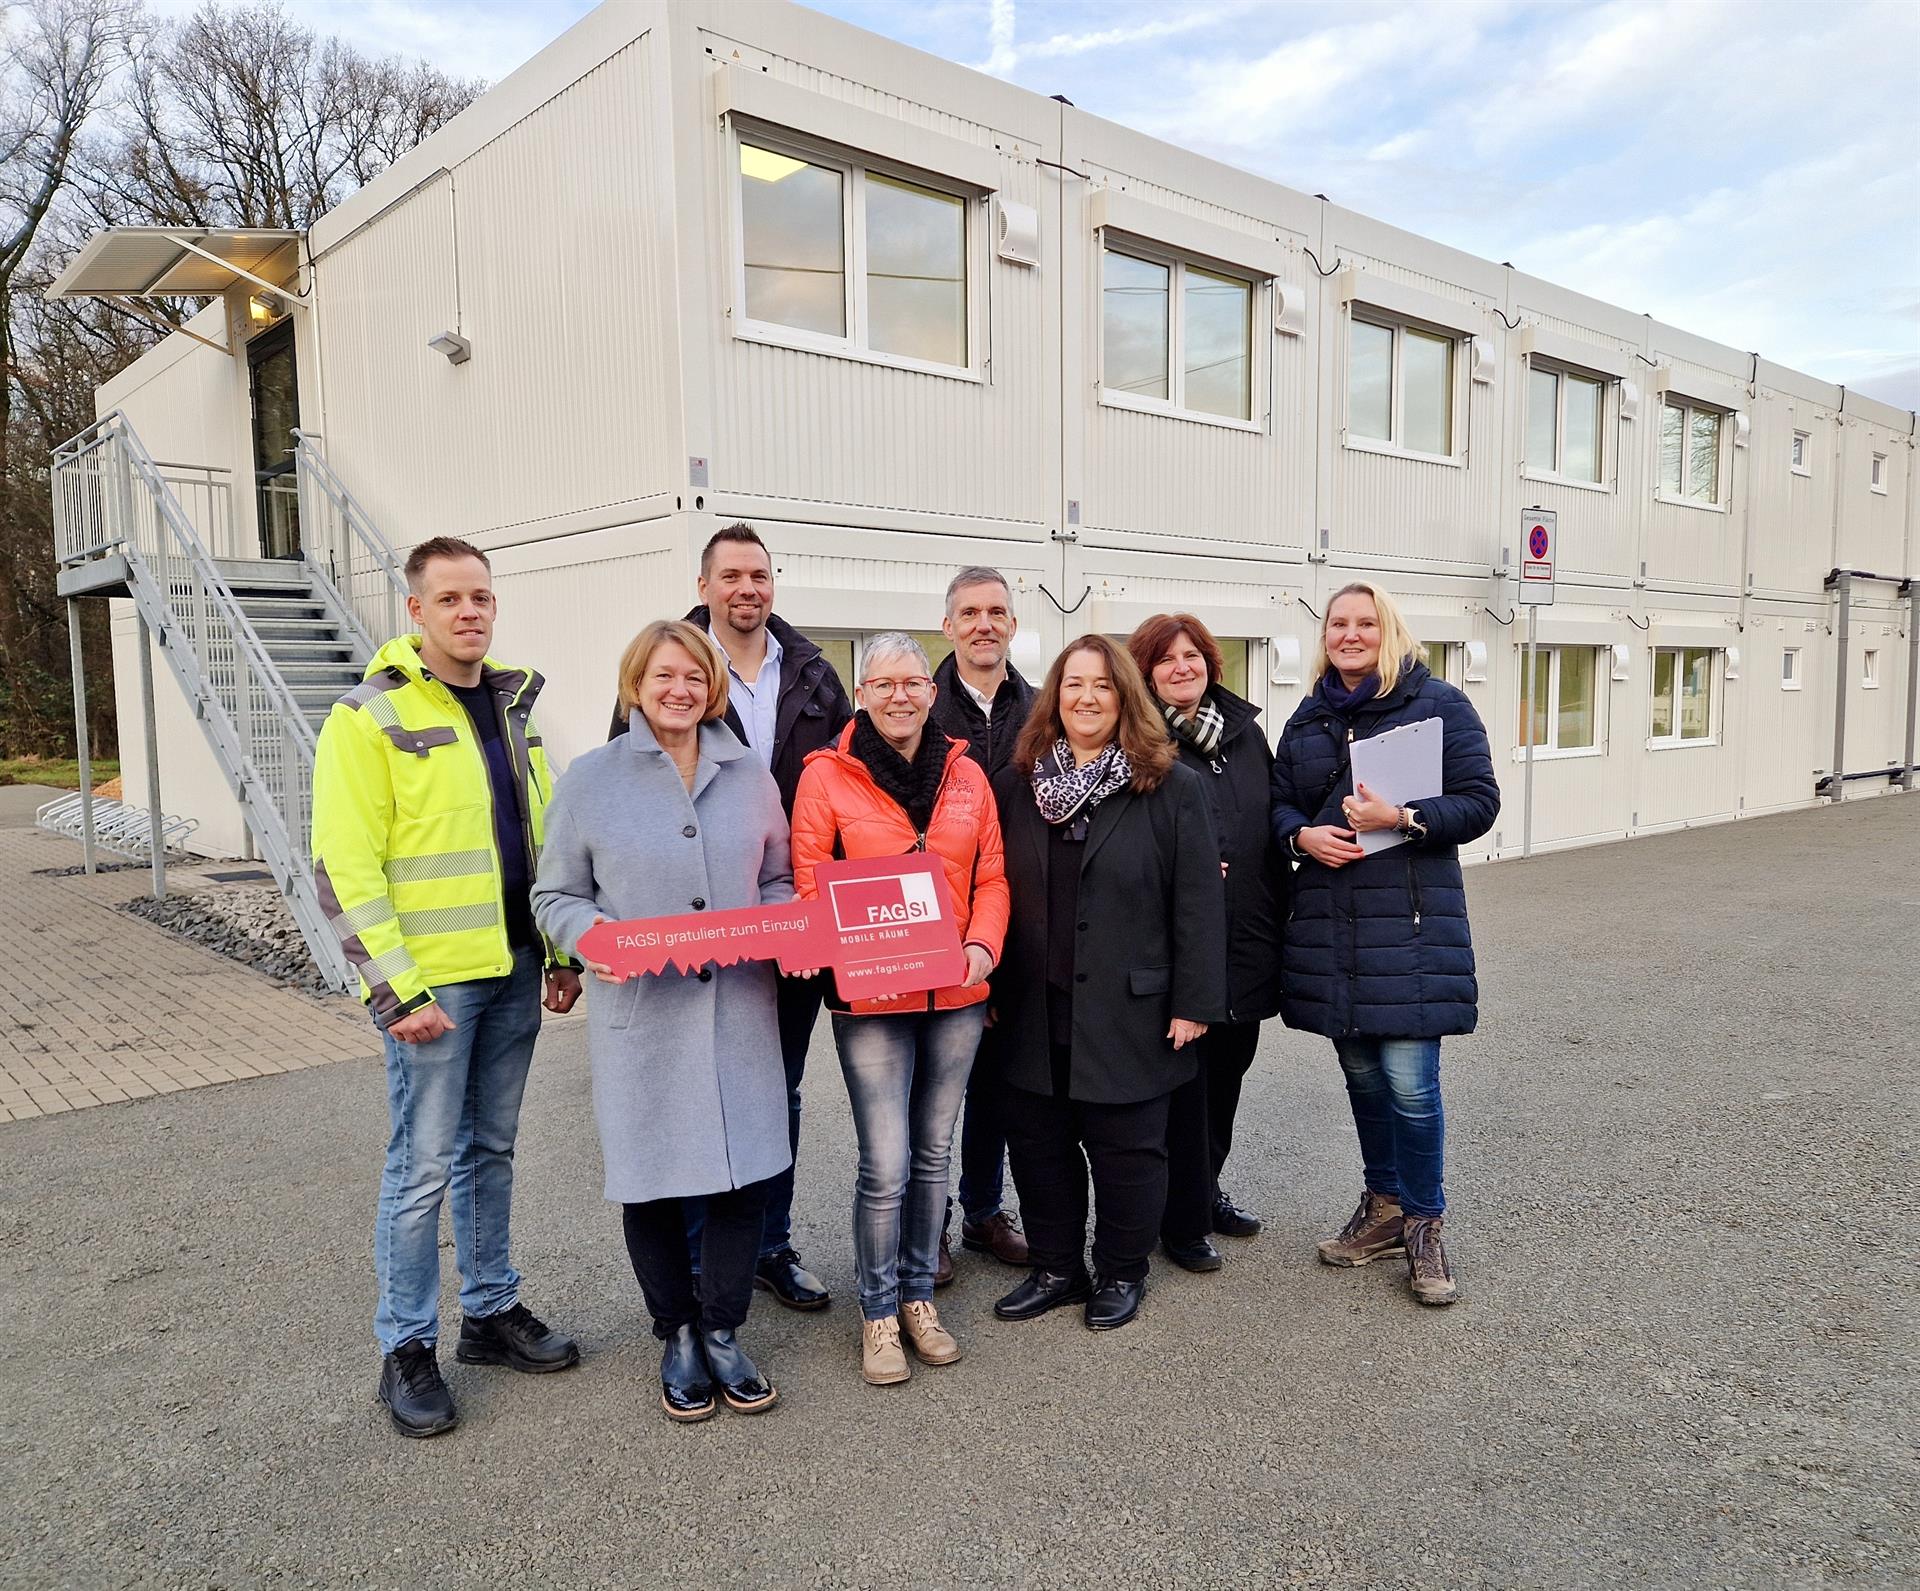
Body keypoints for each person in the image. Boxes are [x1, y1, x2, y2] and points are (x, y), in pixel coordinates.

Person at [313, 535, 580, 1440]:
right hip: (433, 989)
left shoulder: (514, 707)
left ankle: (492, 1314)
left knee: (491, 1148)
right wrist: (397, 993)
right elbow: (343, 869)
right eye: (451, 598)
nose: (471, 610)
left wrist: (559, 952)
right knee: (421, 1164)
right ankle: (406, 1348)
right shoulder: (368, 716)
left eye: (482, 596)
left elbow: (537, 840)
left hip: (511, 967)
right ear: (416, 610)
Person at [536, 621, 790, 1421]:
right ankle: (675, 1331)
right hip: (643, 1019)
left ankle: (721, 1329)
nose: (679, 689)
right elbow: (556, 896)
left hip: (742, 1009)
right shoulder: (590, 779)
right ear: (634, 685)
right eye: (662, 676)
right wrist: (589, 940)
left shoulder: (750, 773)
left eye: (693, 676)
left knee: (745, 1175)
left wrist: (782, 929)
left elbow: (779, 877)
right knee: (650, 1182)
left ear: (712, 685)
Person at [609, 524, 853, 1311]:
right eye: (732, 576)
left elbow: (853, 784)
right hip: (687, 942)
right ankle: (689, 1264)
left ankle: (766, 1247)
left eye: (760, 575)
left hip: (787, 930)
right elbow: (624, 807)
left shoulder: (814, 673)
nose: (748, 588)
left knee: (774, 1092)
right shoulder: (670, 670)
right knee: (687, 1094)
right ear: (705, 583)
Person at [1269, 581, 1500, 1307]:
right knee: (1365, 1079)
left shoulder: (1439, 704)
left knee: (1410, 1084)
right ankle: (1385, 1205)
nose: (1350, 634)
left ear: (1388, 630)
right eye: (1339, 623)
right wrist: (1299, 834)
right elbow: (1275, 802)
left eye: (1365, 623)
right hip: (1334, 927)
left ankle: (1426, 1223)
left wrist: (1401, 815)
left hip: (1409, 930)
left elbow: (1480, 800)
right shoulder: (1307, 720)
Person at [988, 634, 1226, 1331]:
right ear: (1053, 697)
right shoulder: (1019, 783)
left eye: (1101, 685)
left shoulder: (1169, 784)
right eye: (1072, 684)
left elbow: (1199, 903)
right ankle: (1058, 1267)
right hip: (1033, 1001)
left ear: (1124, 697)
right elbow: (990, 887)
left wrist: (1194, 1002)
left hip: (1134, 1007)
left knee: (1128, 1151)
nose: (1086, 697)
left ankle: (1122, 1271)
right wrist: (990, 987)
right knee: (1038, 1144)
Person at [790, 634, 1009, 1386]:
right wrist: (844, 949)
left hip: (954, 991)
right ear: (862, 691)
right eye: (883, 684)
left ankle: (921, 1296)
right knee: (884, 1163)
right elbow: (810, 880)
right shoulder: (827, 775)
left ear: (929, 690)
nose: (899, 696)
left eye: (912, 682)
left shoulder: (966, 773)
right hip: (871, 996)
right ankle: (878, 1311)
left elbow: (994, 874)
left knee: (932, 1154)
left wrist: (983, 946)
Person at [1127, 614, 1289, 1273]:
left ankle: (1206, 1188)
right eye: (1166, 660)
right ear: (1146, 672)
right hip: (1183, 944)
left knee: (1227, 1077)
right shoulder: (1140, 741)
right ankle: (1180, 1217)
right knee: (1184, 1087)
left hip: (1247, 936)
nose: (1182, 667)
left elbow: (1271, 815)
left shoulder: (1245, 735)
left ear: (1210, 663)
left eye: (1192, 655)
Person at [928, 566, 1035, 1279]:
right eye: (969, 612)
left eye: (996, 611)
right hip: (931, 928)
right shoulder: (916, 703)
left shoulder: (1042, 708)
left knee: (996, 1084)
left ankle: (982, 1210)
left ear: (1013, 625)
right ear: (948, 626)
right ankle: (925, 1223)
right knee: (931, 1091)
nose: (983, 623)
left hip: (1018, 922)